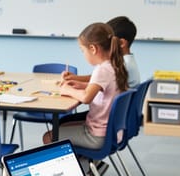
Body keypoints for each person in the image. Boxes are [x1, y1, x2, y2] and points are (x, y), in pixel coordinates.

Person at [44, 22, 129, 154]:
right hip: (112, 132)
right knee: (62, 126)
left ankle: (77, 170)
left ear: (93, 49)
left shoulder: (101, 70)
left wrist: (67, 90)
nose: (83, 54)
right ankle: (86, 166)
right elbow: (103, 89)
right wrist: (79, 85)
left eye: (83, 50)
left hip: (97, 135)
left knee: (49, 137)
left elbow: (86, 98)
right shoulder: (114, 65)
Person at [107, 15, 140, 87]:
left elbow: (99, 80)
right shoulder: (127, 61)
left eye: (107, 41)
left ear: (122, 43)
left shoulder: (122, 66)